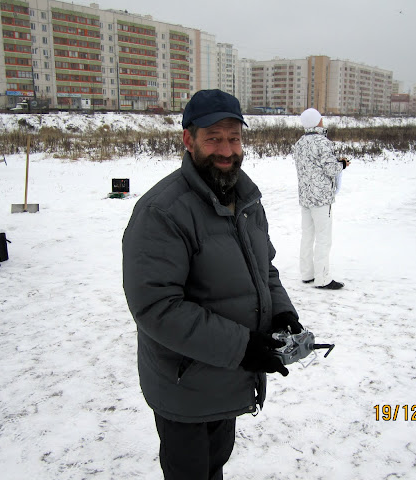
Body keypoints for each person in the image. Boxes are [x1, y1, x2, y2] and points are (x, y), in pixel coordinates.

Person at [122, 89, 302, 480]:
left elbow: (265, 270)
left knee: (215, 464)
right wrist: (243, 347)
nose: (226, 150)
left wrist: (281, 313)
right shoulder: (162, 212)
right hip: (185, 384)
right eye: (214, 138)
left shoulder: (246, 200)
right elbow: (156, 307)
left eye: (234, 138)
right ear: (188, 140)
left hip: (229, 377)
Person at [291, 108, 349, 290]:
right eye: (320, 118)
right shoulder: (323, 143)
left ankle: (307, 274)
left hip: (306, 197)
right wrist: (342, 164)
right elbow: (331, 169)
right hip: (321, 199)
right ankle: (322, 278)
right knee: (323, 238)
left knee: (307, 236)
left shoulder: (299, 143)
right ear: (317, 122)